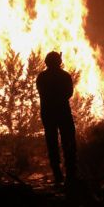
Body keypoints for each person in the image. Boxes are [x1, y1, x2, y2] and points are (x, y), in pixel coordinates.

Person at [36, 51, 77, 184]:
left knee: (52, 143)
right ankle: (70, 173)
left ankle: (57, 174)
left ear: (46, 62)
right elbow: (69, 93)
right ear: (59, 62)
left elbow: (41, 92)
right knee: (68, 141)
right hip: (63, 112)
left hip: (48, 113)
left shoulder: (41, 77)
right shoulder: (65, 76)